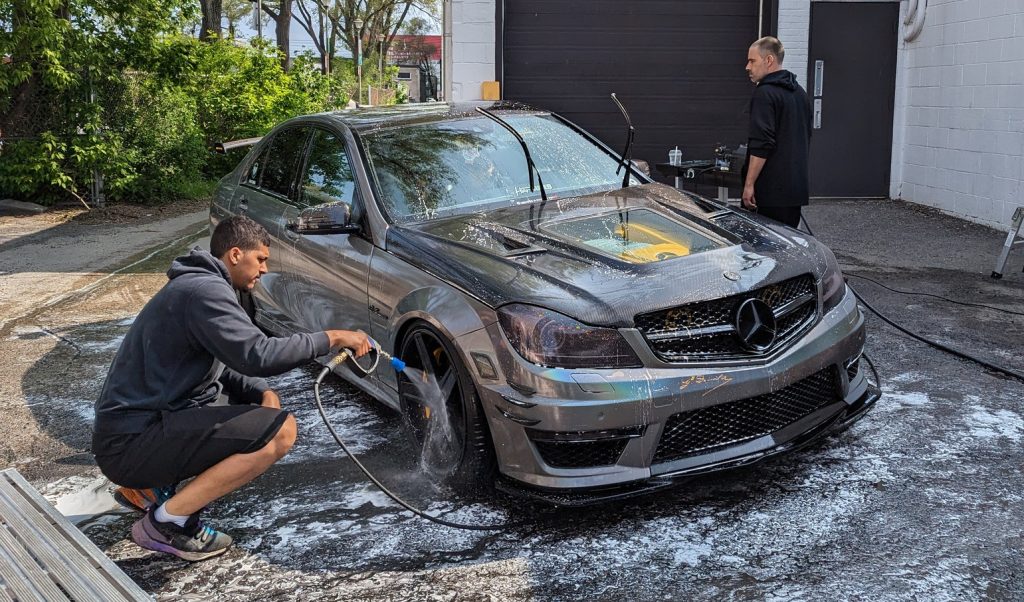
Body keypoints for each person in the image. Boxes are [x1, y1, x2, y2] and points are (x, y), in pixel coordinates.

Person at [92, 215, 370, 561]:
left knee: (254, 411)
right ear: (236, 254)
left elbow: (229, 364)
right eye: (261, 259)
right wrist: (332, 337)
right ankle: (169, 522)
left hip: (136, 430)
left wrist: (263, 393)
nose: (265, 269)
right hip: (131, 442)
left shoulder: (202, 286)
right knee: (281, 432)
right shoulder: (205, 292)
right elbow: (257, 355)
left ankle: (150, 488)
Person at [741, 36, 812, 228]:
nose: (747, 67)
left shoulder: (764, 93)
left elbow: (762, 143)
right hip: (794, 191)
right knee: (788, 247)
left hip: (769, 193)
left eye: (752, 61)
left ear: (769, 60)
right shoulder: (799, 93)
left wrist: (749, 185)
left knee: (764, 251)